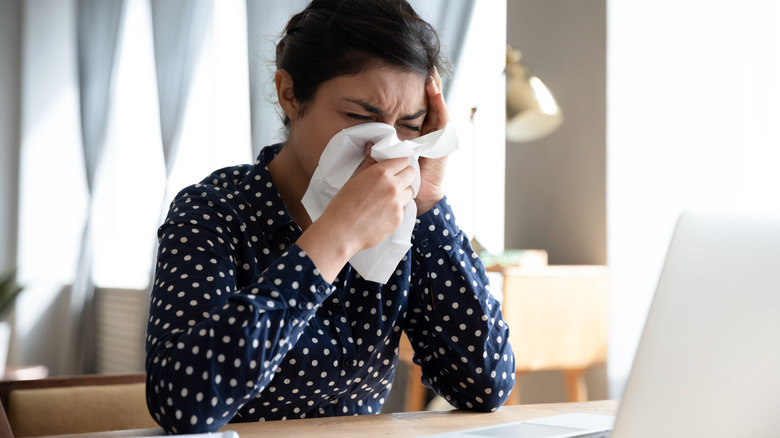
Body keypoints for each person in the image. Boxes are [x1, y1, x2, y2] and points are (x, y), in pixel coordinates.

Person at [145, 0, 515, 434]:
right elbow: (180, 402)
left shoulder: (403, 220)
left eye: (411, 126)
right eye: (361, 118)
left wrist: (429, 205)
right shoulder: (214, 211)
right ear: (290, 95)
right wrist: (334, 238)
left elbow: (485, 385)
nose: (386, 148)